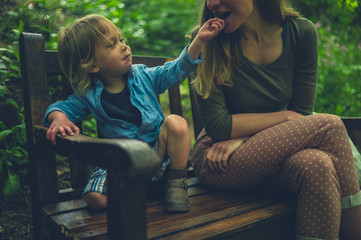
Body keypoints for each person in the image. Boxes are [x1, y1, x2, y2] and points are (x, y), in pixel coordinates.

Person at [190, 0, 361, 239]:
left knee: (317, 164)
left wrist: (246, 137)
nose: (212, 3)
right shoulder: (207, 37)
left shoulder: (300, 32)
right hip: (219, 158)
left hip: (271, 151)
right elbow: (219, 126)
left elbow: (300, 111)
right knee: (330, 125)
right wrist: (284, 117)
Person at [43, 14, 224, 212]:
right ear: (92, 65)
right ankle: (142, 188)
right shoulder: (88, 94)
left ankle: (175, 183)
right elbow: (61, 108)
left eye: (121, 40)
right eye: (111, 45)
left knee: (176, 123)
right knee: (94, 198)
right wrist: (58, 118)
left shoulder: (144, 76)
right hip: (119, 163)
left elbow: (177, 68)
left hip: (157, 157)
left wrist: (199, 40)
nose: (123, 46)